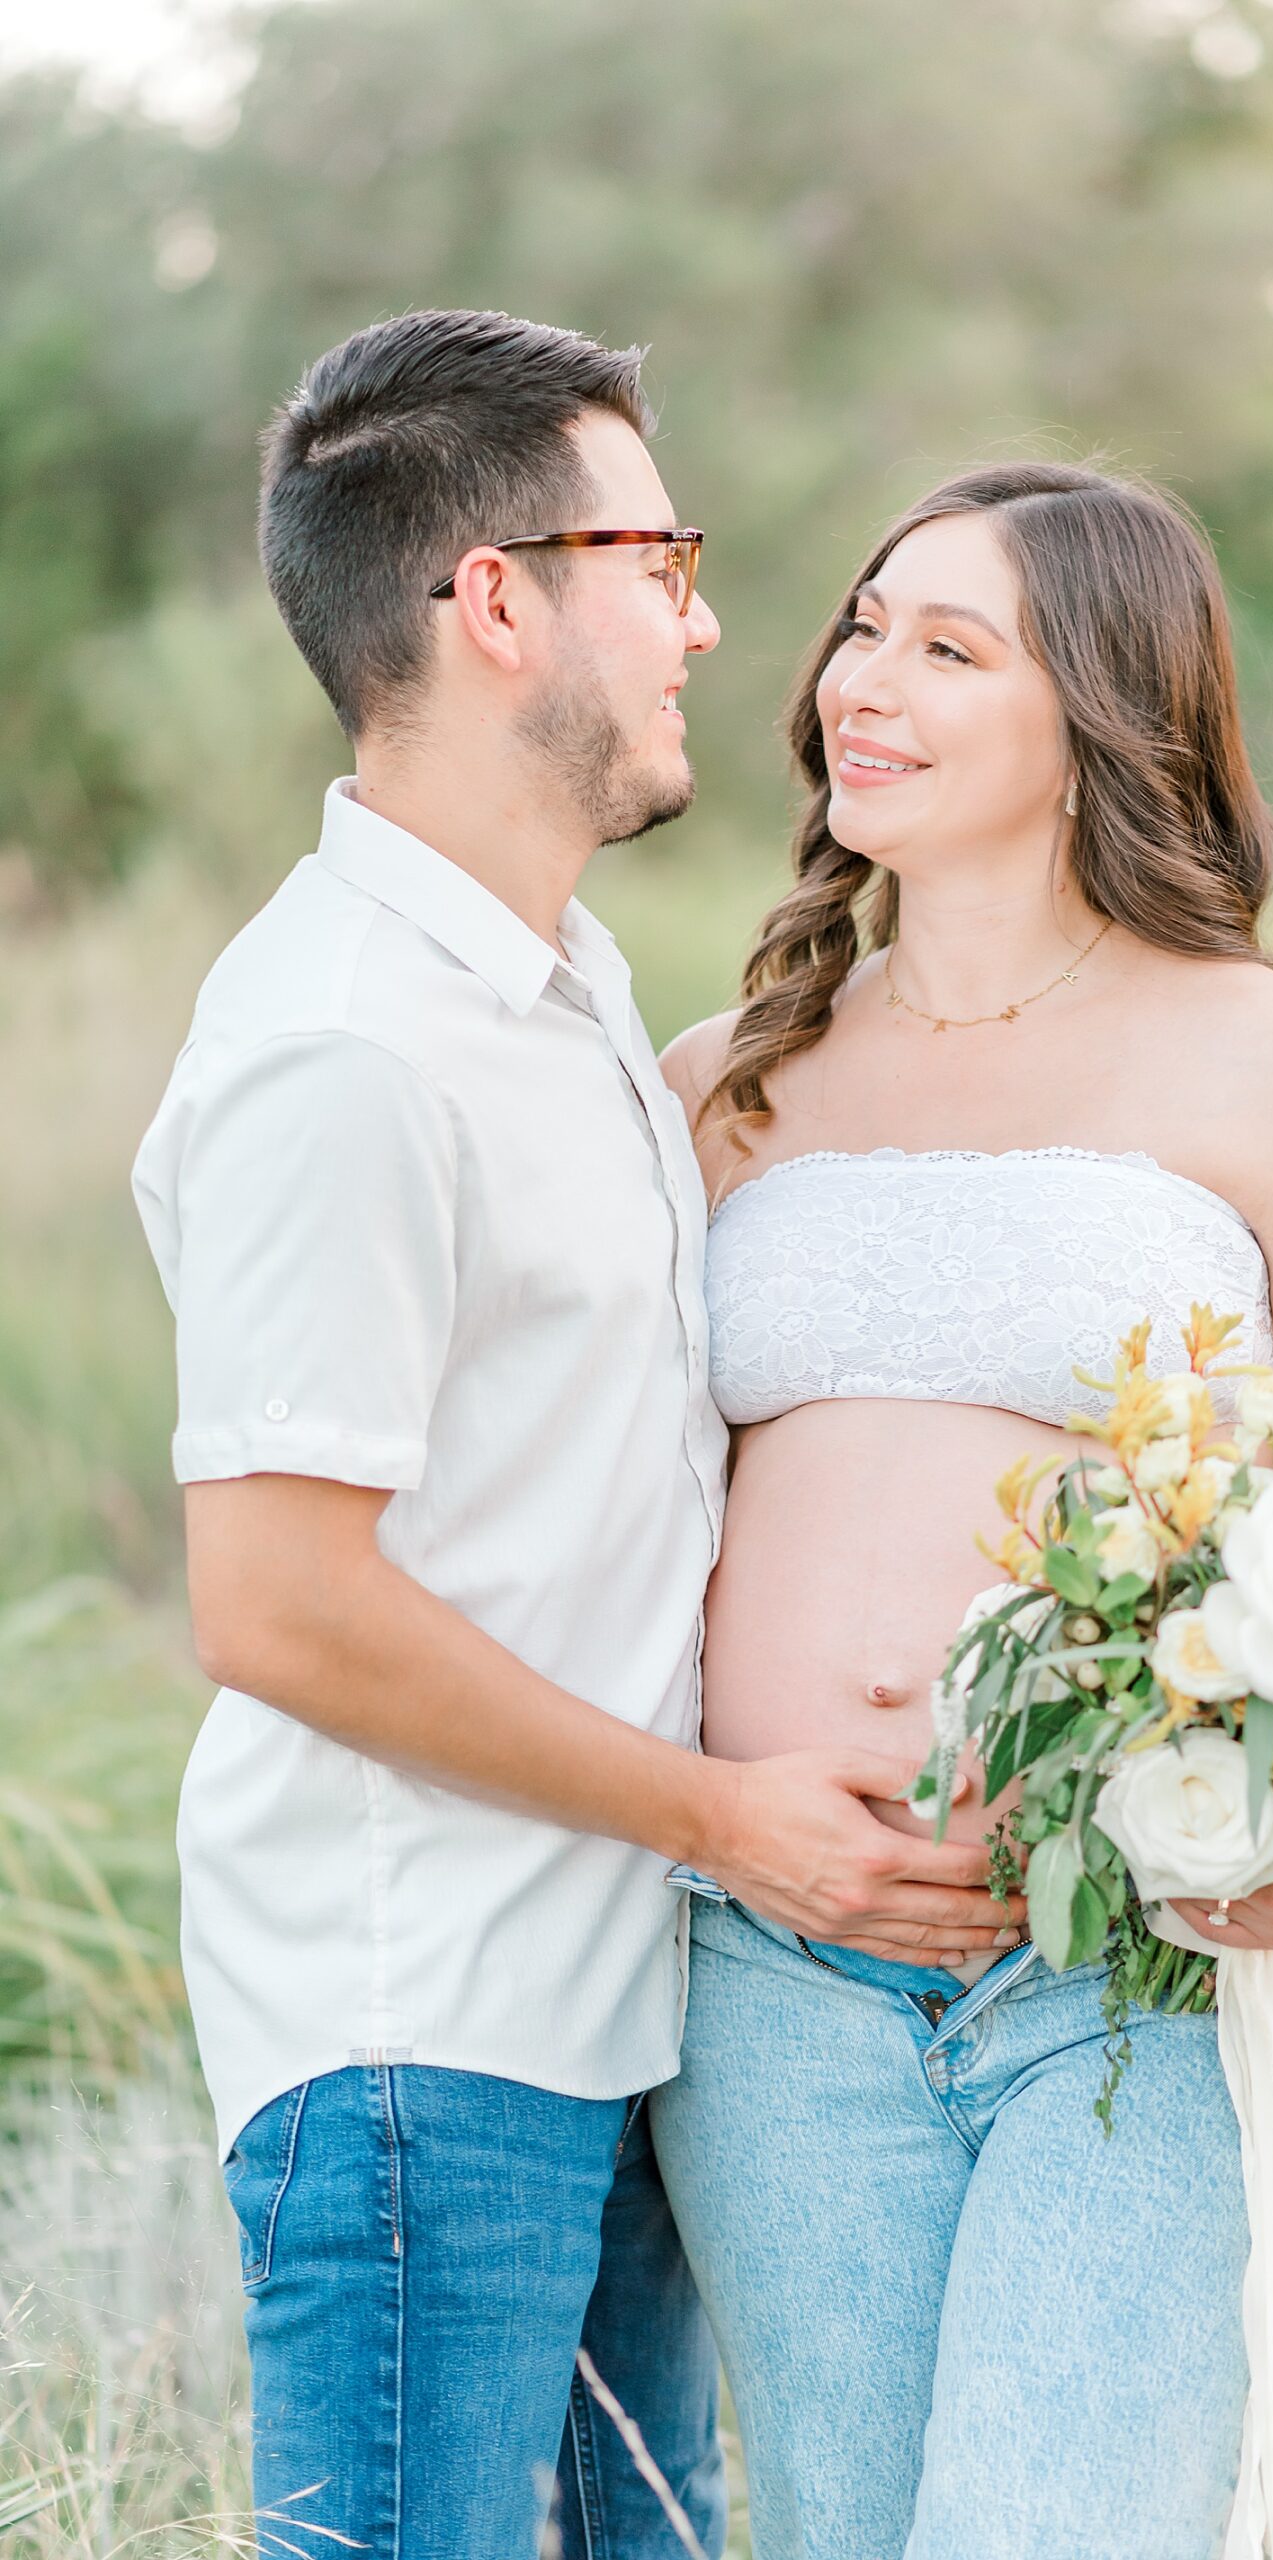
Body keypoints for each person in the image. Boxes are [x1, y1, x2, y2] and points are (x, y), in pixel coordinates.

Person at [130, 310, 1018, 2560]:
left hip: (620, 1994)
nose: (716, 619)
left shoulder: (568, 983)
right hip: (429, 2025)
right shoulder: (342, 1044)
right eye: (663, 554)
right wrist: (735, 1812)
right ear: (499, 596)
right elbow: (281, 1601)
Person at [652, 459, 1273, 2560]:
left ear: (1103, 707)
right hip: (779, 1959)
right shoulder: (725, 1077)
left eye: (949, 644)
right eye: (861, 625)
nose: (860, 681)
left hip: (1131, 1956)